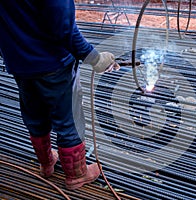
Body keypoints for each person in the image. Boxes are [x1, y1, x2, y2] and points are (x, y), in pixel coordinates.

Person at [0, 1, 120, 190]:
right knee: (69, 120)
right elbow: (64, 30)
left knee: (35, 115)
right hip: (54, 66)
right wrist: (95, 58)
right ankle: (77, 175)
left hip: (19, 66)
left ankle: (46, 164)